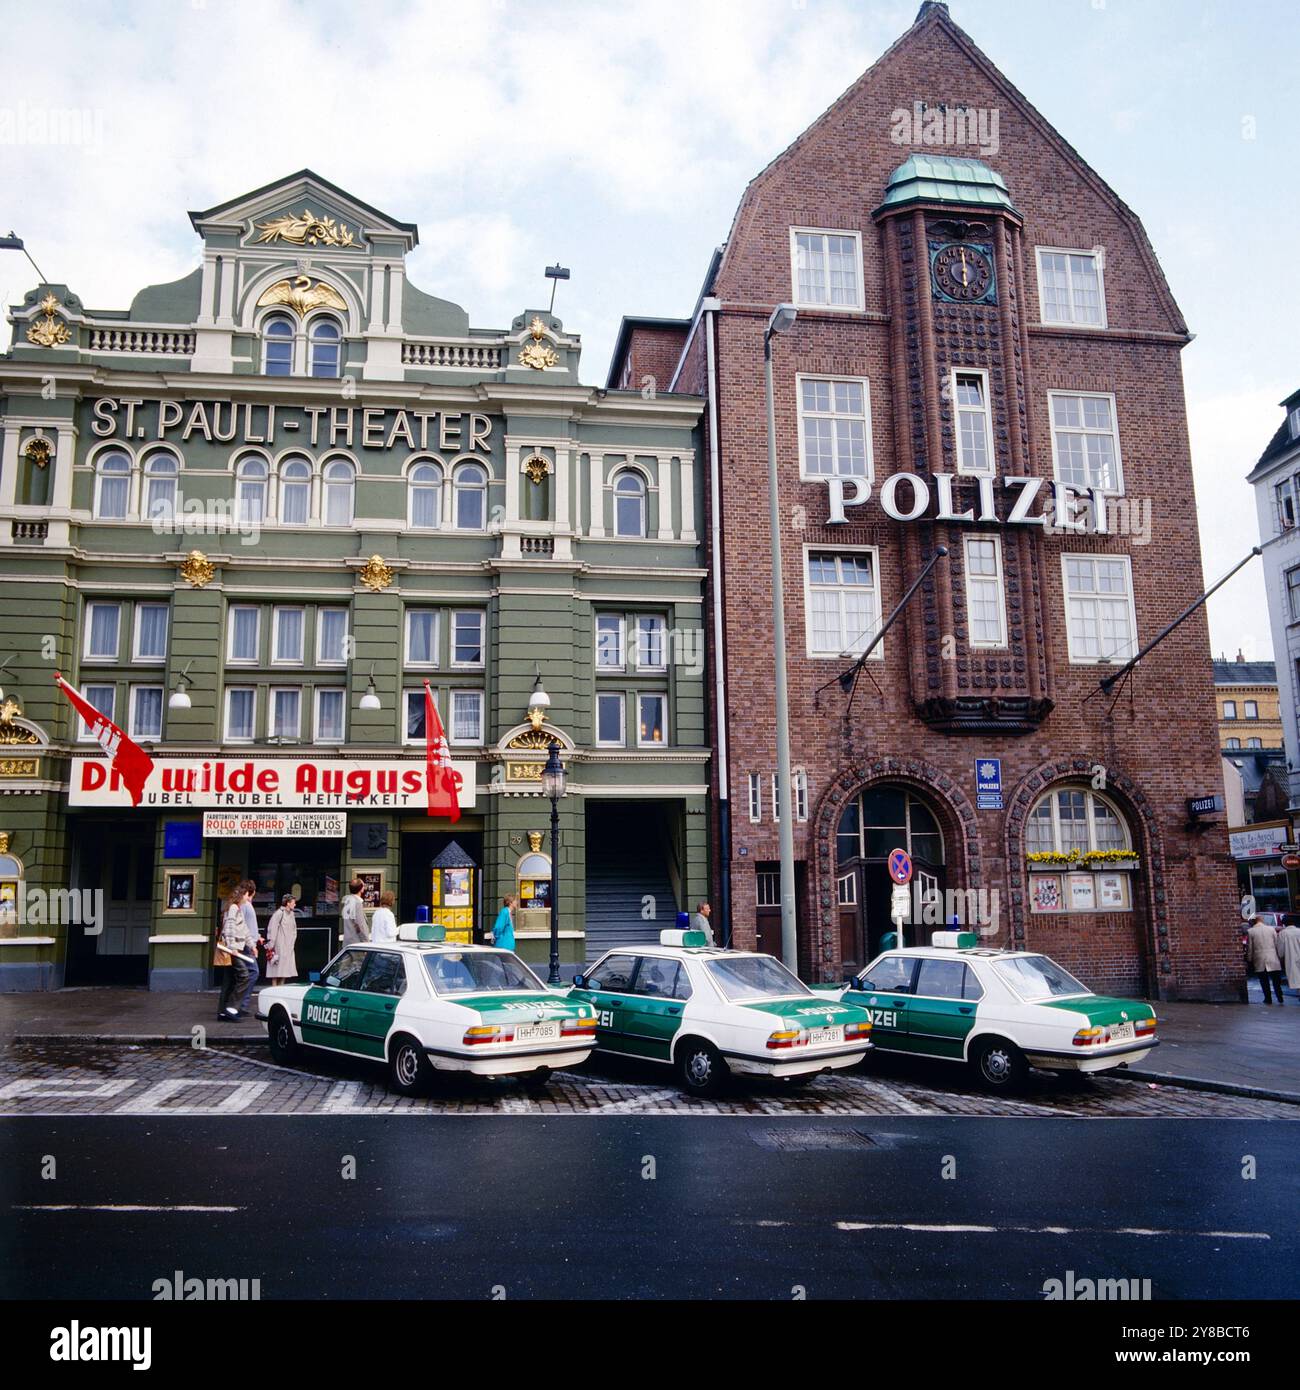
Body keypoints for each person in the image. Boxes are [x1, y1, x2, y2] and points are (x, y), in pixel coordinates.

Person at [218, 886, 258, 1020]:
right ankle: (232, 1008)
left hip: (236, 949)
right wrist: (232, 947)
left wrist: (252, 946)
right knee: (244, 976)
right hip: (233, 950)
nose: (248, 898)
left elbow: (245, 930)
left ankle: (223, 1012)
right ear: (242, 896)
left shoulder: (238, 909)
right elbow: (229, 928)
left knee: (230, 981)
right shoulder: (234, 908)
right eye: (247, 895)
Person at [1245, 915, 1285, 1004]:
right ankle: (1279, 996)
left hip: (1259, 958)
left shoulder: (1251, 931)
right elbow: (1276, 943)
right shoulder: (1271, 929)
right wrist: (1279, 956)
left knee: (1264, 980)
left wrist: (1249, 959)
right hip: (1272, 956)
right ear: (1262, 921)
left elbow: (1250, 947)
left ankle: (1268, 998)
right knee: (1276, 979)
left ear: (1254, 922)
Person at [265, 894, 298, 983]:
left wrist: (292, 942)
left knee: (285, 969)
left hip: (288, 945)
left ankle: (281, 986)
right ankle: (274, 988)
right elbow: (272, 928)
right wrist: (271, 944)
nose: (295, 905)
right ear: (288, 903)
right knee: (276, 969)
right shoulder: (279, 913)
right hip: (279, 944)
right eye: (293, 903)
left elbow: (294, 929)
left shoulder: (291, 914)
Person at [340, 877, 369, 946]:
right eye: (363, 886)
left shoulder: (348, 901)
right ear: (361, 889)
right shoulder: (357, 903)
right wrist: (366, 942)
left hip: (348, 942)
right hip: (357, 943)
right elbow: (360, 925)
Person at [1277, 917, 1300, 999]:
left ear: (1284, 924)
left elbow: (1280, 950)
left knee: (1296, 977)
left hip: (1291, 957)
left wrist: (1281, 956)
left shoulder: (1283, 933)